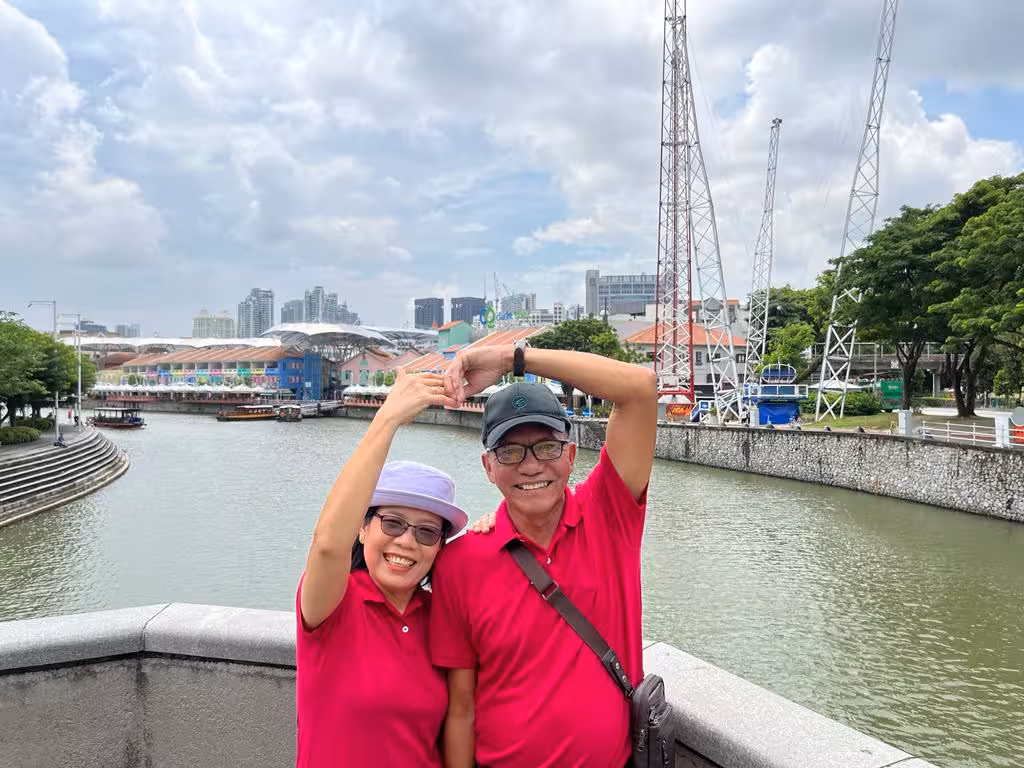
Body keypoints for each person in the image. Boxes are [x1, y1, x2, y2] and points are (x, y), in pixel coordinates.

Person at [432, 343, 659, 768]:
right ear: (488, 467)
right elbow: (461, 709)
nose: (531, 466)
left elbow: (641, 389)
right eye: (511, 452)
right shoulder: (458, 562)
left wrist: (509, 360)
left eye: (547, 447)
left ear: (571, 456)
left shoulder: (609, 517)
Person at [296, 368, 492, 768]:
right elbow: (328, 545)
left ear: (439, 546)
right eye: (392, 523)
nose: (406, 541)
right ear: (363, 529)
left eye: (425, 532)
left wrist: (496, 527)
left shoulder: (440, 616)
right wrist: (387, 419)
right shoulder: (333, 606)